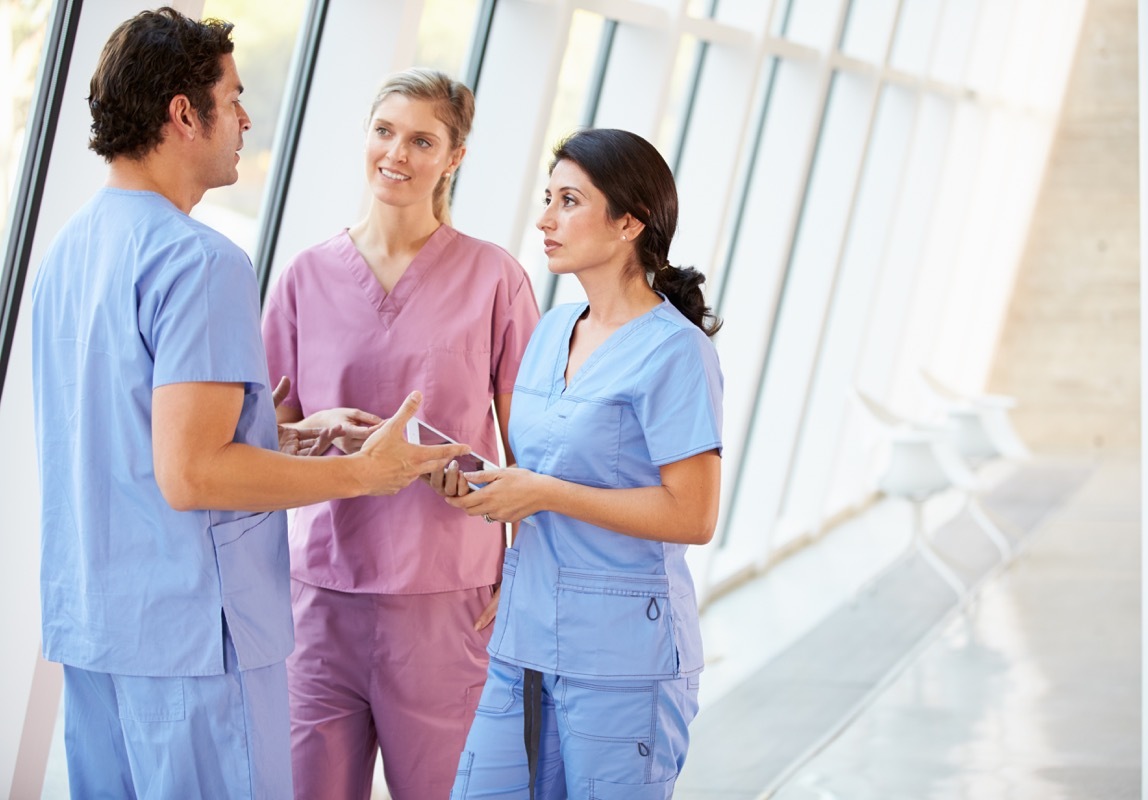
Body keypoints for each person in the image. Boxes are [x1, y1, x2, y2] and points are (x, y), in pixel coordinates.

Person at [30, 10, 468, 799]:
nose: (246, 119)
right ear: (183, 114)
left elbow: (133, 437)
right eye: (232, 99)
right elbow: (193, 475)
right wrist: (365, 474)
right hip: (194, 641)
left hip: (96, 626)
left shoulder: (70, 250)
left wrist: (281, 434)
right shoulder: (199, 261)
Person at [260, 67, 539, 799]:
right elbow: (264, 436)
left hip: (449, 597)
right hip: (321, 593)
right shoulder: (305, 278)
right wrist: (309, 430)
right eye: (385, 131)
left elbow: (533, 446)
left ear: (454, 158)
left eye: (422, 140)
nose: (397, 153)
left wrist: (526, 567)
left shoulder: (495, 280)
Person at [445, 128, 724, 798]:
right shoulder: (550, 331)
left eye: (569, 201)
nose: (546, 219)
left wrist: (543, 492)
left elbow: (693, 515)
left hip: (624, 659)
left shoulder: (676, 351)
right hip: (525, 639)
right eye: (548, 199)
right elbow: (538, 468)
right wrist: (483, 487)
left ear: (630, 222)